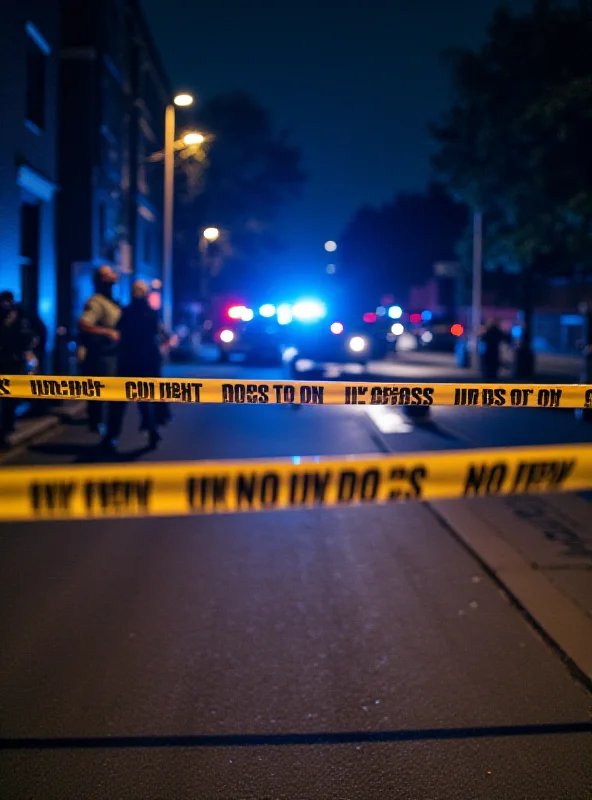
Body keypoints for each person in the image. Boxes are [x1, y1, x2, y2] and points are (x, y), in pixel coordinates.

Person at [102, 280, 168, 451]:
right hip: (147, 361)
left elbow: (119, 333)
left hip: (128, 361)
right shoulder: (152, 314)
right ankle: (152, 433)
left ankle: (111, 436)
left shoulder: (126, 312)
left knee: (119, 402)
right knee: (146, 400)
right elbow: (159, 334)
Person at [78, 266, 121, 433]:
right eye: (108, 274)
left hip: (112, 354)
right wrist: (107, 332)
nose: (113, 276)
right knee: (102, 392)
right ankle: (97, 423)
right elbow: (84, 324)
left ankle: (104, 424)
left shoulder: (111, 301)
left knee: (112, 393)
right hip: (101, 355)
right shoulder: (96, 302)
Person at [0, 291, 34, 447]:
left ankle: (6, 430)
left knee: (10, 400)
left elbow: (32, 334)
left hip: (14, 363)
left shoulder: (21, 315)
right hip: (5, 360)